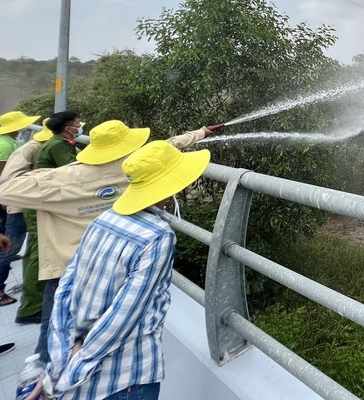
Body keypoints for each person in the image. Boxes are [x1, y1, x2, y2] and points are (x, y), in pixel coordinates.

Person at [0, 119, 216, 365]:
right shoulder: (133, 168)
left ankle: (50, 373)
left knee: (55, 335)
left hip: (67, 267)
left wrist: (30, 146)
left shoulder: (60, 179)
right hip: (115, 261)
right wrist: (200, 133)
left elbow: (6, 187)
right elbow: (166, 146)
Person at [28, 140, 211, 400]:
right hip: (126, 378)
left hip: (80, 365)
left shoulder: (104, 218)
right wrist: (67, 376)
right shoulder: (158, 236)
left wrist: (57, 366)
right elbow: (124, 314)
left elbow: (66, 288)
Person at [18, 112, 86, 326]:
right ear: (68, 128)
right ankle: (31, 307)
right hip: (43, 207)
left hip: (44, 203)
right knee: (39, 255)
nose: (79, 126)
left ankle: (33, 304)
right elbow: (76, 172)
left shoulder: (58, 142)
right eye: (76, 123)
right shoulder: (58, 146)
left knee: (38, 253)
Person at [0, 119, 51, 307]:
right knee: (10, 246)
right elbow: (5, 176)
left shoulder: (30, 145)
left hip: (17, 200)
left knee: (13, 244)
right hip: (20, 203)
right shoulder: (37, 148)